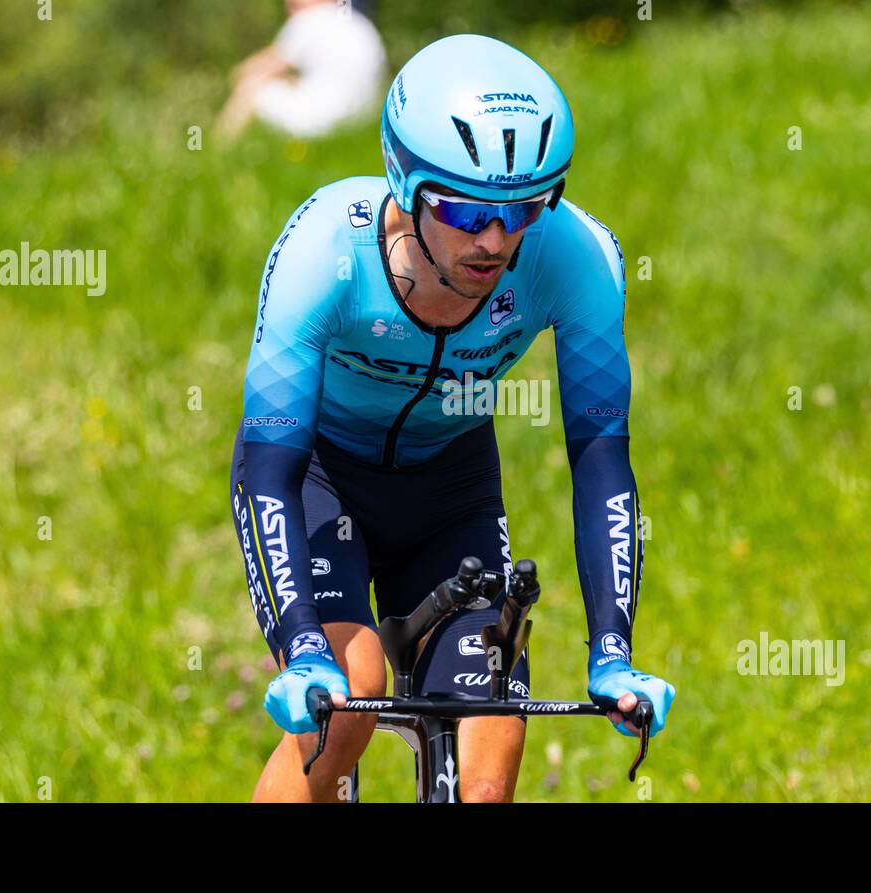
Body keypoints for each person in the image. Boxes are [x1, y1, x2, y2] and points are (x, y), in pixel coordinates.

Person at [230, 33, 675, 802]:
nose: (496, 240)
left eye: (526, 207)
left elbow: (602, 458)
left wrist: (612, 650)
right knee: (346, 704)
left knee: (488, 758)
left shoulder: (579, 256)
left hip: (451, 491)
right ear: (405, 181)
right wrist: (300, 645)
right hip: (322, 478)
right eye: (468, 210)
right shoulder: (322, 246)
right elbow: (270, 467)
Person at [219, 0, 385, 140]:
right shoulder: (360, 23)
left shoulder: (309, 20)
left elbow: (251, 70)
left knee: (253, 84)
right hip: (364, 121)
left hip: (321, 123)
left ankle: (220, 144)